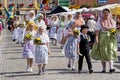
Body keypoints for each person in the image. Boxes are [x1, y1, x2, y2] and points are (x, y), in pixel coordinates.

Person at [90, 8, 117, 73]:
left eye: (107, 13)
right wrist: (96, 38)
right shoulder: (100, 21)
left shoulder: (113, 21)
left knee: (111, 51)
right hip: (102, 37)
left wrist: (113, 32)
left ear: (109, 13)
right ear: (102, 14)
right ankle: (103, 69)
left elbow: (114, 30)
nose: (106, 14)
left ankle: (111, 68)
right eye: (104, 13)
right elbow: (97, 31)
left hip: (110, 38)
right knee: (103, 52)